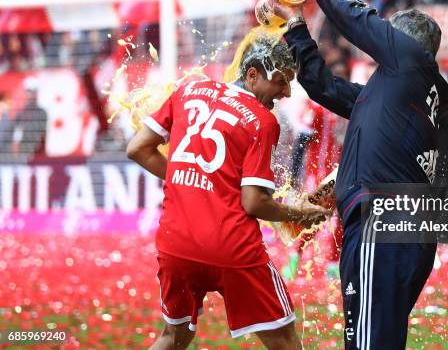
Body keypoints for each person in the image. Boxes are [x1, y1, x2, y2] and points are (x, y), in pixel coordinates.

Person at [271, 0, 448, 349]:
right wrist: (295, 25)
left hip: (381, 225)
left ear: (402, 44)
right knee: (376, 339)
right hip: (407, 229)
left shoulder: (408, 62)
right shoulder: (411, 94)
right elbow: (323, 86)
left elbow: (356, 17)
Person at [126, 32, 330, 350]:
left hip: (176, 244)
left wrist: (185, 179)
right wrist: (300, 214)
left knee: (173, 337)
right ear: (252, 75)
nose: (287, 92)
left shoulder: (188, 90)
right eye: (281, 81)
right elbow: (254, 202)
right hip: (232, 248)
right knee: (286, 342)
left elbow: (138, 148)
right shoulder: (262, 120)